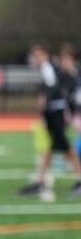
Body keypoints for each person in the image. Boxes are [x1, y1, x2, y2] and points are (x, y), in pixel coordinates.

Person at [18, 45, 81, 197]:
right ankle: (41, 181)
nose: (35, 58)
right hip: (56, 113)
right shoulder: (54, 70)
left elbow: (50, 91)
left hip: (56, 113)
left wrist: (43, 110)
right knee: (50, 147)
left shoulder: (49, 69)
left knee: (65, 147)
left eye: (38, 55)